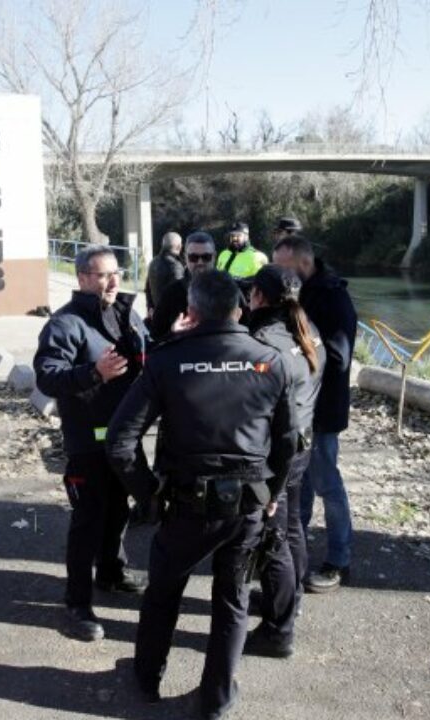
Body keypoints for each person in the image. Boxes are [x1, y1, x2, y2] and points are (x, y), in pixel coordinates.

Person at [105, 270, 298, 720]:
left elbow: (119, 442)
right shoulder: (271, 361)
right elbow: (289, 441)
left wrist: (148, 495)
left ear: (190, 312)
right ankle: (216, 698)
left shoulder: (167, 360)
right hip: (248, 506)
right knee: (233, 600)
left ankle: (146, 678)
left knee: (163, 593)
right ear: (240, 310)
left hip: (185, 506)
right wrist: (274, 492)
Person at [33, 246, 150, 642]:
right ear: (82, 278)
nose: (113, 281)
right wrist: (93, 372)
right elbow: (48, 377)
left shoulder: (125, 312)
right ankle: (76, 605)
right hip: (88, 443)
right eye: (103, 275)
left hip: (124, 438)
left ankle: (112, 572)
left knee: (118, 511)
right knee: (88, 523)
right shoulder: (65, 324)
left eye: (116, 273)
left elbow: (146, 349)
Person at [243, 264, 325, 659]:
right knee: (291, 528)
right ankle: (290, 602)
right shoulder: (308, 330)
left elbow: (252, 405)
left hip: (276, 452)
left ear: (258, 297)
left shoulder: (263, 343)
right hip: (301, 446)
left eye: (251, 292)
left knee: (272, 539)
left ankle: (279, 630)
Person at [273, 234, 359, 593]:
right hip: (300, 409)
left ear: (304, 264)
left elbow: (338, 357)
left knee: (326, 484)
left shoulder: (333, 297)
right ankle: (294, 555)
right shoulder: (300, 291)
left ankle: (340, 560)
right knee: (299, 486)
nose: (278, 274)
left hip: (322, 412)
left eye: (283, 268)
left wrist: (299, 348)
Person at [145, 231, 215, 343]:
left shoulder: (227, 290)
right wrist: (173, 334)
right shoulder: (171, 293)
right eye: (193, 257)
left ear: (214, 256)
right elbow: (156, 336)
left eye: (206, 257)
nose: (200, 262)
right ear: (185, 257)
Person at [144, 232, 185, 317]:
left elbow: (148, 288)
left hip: (156, 314)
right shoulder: (175, 265)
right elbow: (179, 293)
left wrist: (150, 307)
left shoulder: (153, 262)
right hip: (171, 317)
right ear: (179, 247)